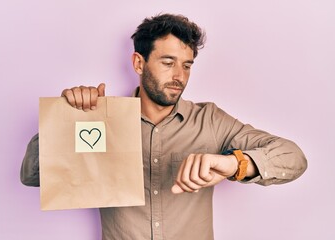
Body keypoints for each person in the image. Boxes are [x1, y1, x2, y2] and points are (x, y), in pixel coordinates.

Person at [21, 13, 307, 240]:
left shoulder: (210, 120)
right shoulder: (100, 121)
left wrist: (235, 164)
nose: (179, 76)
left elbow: (293, 158)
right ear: (138, 63)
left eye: (187, 65)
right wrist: (66, 117)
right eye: (168, 62)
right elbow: (32, 175)